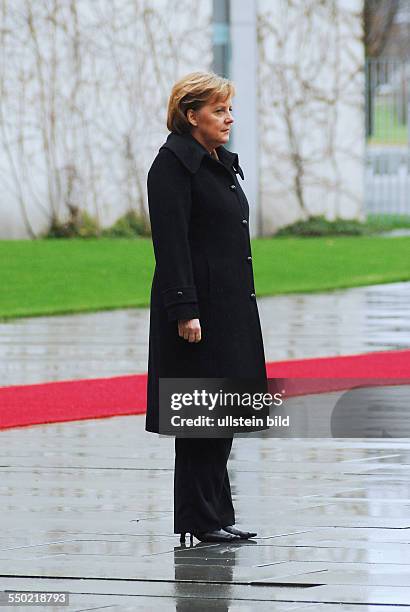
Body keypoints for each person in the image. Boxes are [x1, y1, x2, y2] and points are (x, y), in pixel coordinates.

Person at [145, 71, 267, 543]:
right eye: (219, 110)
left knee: (223, 413)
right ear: (190, 115)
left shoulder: (215, 161)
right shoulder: (172, 166)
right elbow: (171, 245)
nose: (228, 118)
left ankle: (216, 516)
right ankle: (199, 519)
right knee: (199, 417)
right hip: (198, 312)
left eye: (229, 109)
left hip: (230, 307)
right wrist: (184, 310)